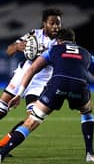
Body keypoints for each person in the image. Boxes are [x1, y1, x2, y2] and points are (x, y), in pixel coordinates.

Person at [0, 28, 94, 162]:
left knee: (32, 121)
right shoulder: (87, 54)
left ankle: (2, 153)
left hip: (58, 85)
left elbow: (32, 69)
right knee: (86, 113)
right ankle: (90, 154)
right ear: (74, 41)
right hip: (79, 87)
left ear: (58, 41)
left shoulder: (53, 49)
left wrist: (19, 94)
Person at [0, 8, 63, 151]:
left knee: (32, 117)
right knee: (1, 109)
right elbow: (8, 51)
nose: (56, 27)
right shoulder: (34, 35)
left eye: (58, 23)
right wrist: (17, 46)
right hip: (23, 74)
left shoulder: (61, 41)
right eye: (52, 23)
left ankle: (2, 145)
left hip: (41, 81)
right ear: (44, 24)